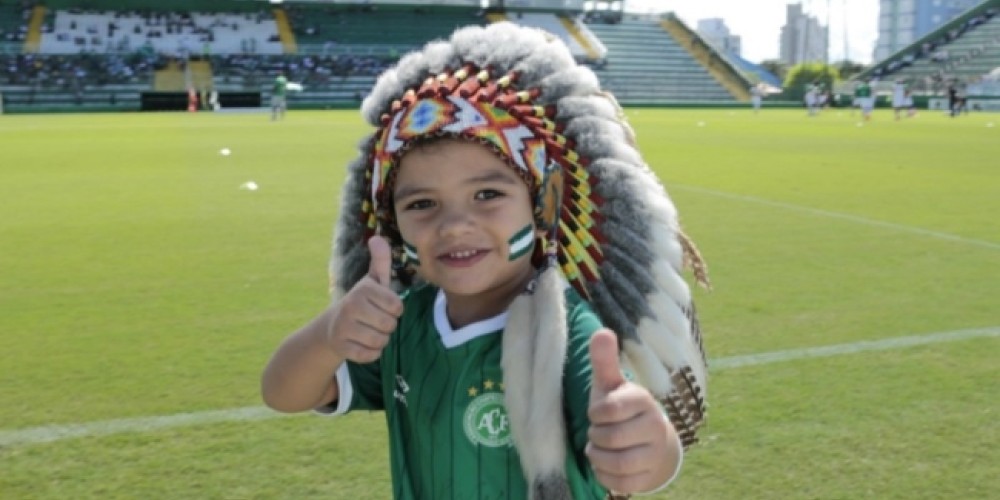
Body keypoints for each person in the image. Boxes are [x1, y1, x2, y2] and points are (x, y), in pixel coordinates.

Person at [261, 22, 709, 500]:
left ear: (545, 204)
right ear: (391, 224)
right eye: (421, 205)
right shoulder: (401, 321)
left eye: (488, 194)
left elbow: (640, 451)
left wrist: (645, 445)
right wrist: (331, 334)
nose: (454, 225)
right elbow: (284, 392)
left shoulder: (566, 333)